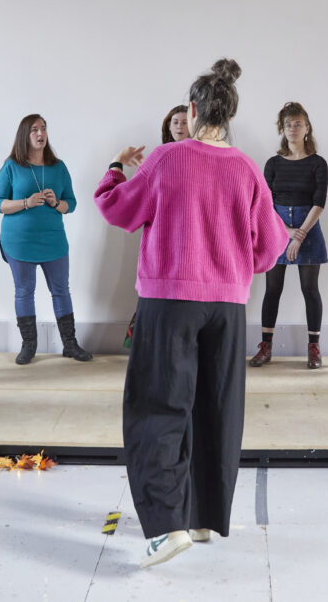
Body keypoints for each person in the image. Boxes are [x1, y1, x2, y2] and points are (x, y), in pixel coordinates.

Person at [94, 59, 288, 569]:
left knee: (157, 408)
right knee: (215, 408)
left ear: (194, 109)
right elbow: (271, 248)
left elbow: (117, 209)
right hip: (226, 307)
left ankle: (165, 527)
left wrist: (114, 169)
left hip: (170, 301)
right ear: (230, 114)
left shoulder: (167, 158)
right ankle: (202, 517)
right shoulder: (247, 168)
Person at [0, 115, 92, 364]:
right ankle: (29, 346)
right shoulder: (11, 166)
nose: (40, 134)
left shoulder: (58, 167)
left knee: (61, 290)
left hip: (53, 240)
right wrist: (26, 202)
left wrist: (56, 203)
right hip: (19, 241)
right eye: (34, 130)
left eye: (44, 129)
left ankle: (70, 345)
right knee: (24, 291)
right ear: (24, 135)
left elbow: (72, 204)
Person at [250, 102, 328, 369]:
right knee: (272, 289)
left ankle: (314, 348)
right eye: (288, 125)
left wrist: (299, 235)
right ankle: (266, 346)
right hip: (277, 228)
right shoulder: (273, 163)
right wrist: (284, 232)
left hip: (308, 228)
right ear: (282, 130)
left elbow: (319, 202)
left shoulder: (318, 163)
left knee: (310, 289)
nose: (292, 128)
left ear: (307, 128)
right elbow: (264, 203)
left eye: (297, 124)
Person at [125, 104, 191, 349]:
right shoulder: (159, 156)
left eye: (185, 122)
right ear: (167, 126)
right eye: (175, 122)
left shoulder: (203, 156)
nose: (180, 127)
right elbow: (129, 203)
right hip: (162, 239)